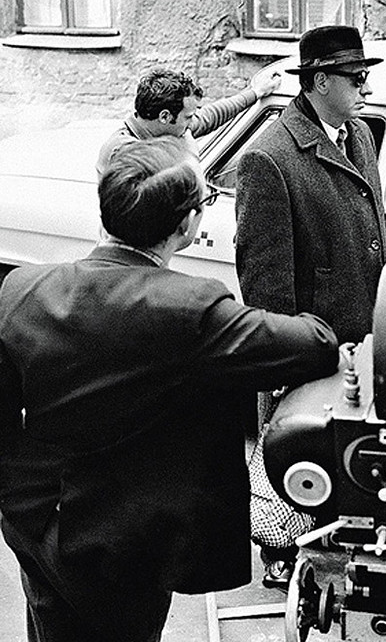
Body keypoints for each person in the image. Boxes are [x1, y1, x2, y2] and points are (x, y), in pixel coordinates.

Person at [0, 138, 339, 642]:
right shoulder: (191, 306)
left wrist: (18, 504)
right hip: (130, 541)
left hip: (38, 522)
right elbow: (316, 345)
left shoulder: (21, 288)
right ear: (186, 225)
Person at [235, 24, 386, 588]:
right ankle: (279, 552)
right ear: (320, 81)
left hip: (361, 326)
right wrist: (286, 357)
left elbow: (376, 218)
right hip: (309, 337)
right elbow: (264, 281)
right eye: (356, 78)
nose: (366, 88)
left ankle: (332, 537)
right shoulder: (270, 158)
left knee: (344, 444)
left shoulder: (359, 134)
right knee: (291, 445)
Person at [96, 66, 281, 176]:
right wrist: (189, 146)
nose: (192, 121)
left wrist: (256, 92)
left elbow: (211, 115)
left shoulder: (167, 127)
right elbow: (186, 181)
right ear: (165, 116)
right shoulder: (124, 151)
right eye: (188, 117)